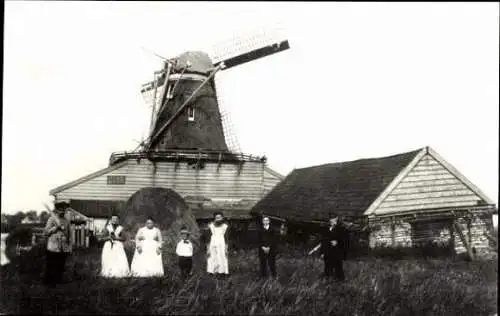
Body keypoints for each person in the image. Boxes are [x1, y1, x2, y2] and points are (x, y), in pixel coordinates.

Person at [308, 214, 349, 281]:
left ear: (337, 219)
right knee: (327, 266)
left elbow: (345, 240)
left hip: (337, 252)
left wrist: (337, 242)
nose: (332, 221)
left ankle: (340, 280)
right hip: (328, 252)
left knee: (338, 267)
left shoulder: (342, 229)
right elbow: (323, 242)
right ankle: (327, 279)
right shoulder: (326, 229)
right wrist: (322, 252)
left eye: (333, 219)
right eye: (331, 220)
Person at [43, 200, 72, 287]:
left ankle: (59, 282)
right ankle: (49, 284)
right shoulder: (51, 219)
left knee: (61, 265)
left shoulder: (66, 221)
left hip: (63, 247)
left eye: (64, 209)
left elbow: (69, 235)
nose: (62, 211)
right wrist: (56, 228)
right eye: (60, 209)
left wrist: (69, 247)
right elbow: (46, 233)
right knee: (51, 266)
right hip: (53, 247)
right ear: (57, 210)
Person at [206, 212, 229, 276]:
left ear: (222, 218)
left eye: (220, 217)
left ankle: (221, 272)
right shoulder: (211, 226)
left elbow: (226, 238)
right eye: (217, 218)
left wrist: (226, 249)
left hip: (221, 243)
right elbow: (208, 238)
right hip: (213, 243)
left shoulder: (225, 226)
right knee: (212, 257)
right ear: (215, 218)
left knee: (222, 257)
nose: (218, 219)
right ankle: (212, 271)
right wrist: (208, 248)